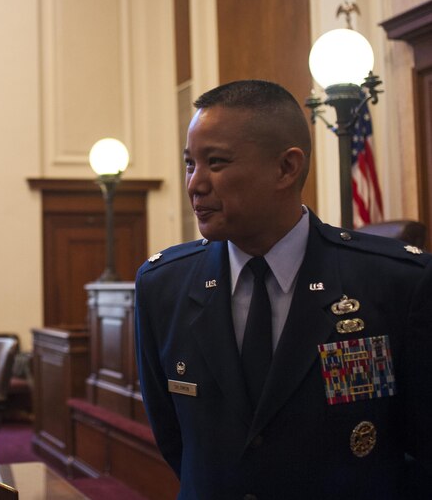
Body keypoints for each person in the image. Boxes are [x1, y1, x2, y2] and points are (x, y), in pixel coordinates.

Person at [135, 79, 432, 499]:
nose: (195, 184)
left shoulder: (398, 282)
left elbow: (421, 450)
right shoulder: (162, 286)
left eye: (216, 162)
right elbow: (175, 440)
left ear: (286, 168)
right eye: (190, 164)